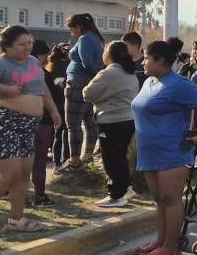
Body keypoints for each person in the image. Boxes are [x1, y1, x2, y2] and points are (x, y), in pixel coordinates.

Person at [0, 25, 61, 234]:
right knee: (9, 175)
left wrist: (53, 109)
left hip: (28, 126)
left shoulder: (34, 62)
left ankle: (16, 220)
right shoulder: (0, 63)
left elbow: (42, 87)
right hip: (5, 123)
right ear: (7, 47)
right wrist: (5, 89)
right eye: (22, 44)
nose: (28, 48)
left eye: (30, 43)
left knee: (23, 174)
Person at [131, 40, 197, 255]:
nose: (143, 61)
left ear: (162, 61)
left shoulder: (178, 84)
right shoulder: (149, 82)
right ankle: (160, 241)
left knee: (170, 197)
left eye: (147, 58)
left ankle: (170, 247)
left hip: (173, 150)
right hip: (150, 150)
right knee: (159, 199)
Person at [83, 40, 139, 208]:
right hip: (128, 120)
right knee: (120, 157)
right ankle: (126, 188)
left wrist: (101, 98)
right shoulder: (131, 73)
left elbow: (88, 93)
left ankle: (116, 195)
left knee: (110, 158)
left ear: (109, 54)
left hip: (111, 121)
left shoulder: (109, 73)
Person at [62, 13, 104, 170]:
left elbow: (87, 62)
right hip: (86, 83)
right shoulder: (96, 38)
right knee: (89, 120)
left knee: (73, 124)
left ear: (79, 27)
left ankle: (74, 160)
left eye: (72, 29)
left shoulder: (85, 38)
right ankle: (87, 154)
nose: (71, 32)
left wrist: (93, 76)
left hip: (78, 82)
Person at [28, 39, 57, 207]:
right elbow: (54, 98)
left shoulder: (15, 71)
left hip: (21, 121)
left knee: (19, 162)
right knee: (39, 162)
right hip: (42, 121)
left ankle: (17, 195)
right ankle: (39, 196)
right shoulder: (43, 74)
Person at [45, 46, 71, 175]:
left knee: (57, 134)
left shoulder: (49, 69)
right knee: (66, 133)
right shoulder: (68, 67)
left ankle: (56, 164)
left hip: (54, 105)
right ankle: (65, 159)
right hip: (66, 104)